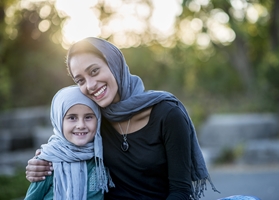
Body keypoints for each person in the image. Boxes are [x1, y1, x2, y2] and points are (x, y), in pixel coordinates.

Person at [26, 37, 219, 199]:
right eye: (81, 80)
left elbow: (181, 191)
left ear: (114, 64)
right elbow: (64, 145)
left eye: (94, 71)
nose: (91, 85)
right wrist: (40, 162)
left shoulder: (167, 114)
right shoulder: (94, 118)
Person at [24, 86, 113, 200]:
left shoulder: (101, 155)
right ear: (58, 120)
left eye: (88, 117)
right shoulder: (47, 162)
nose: (81, 125)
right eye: (72, 118)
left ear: (98, 119)